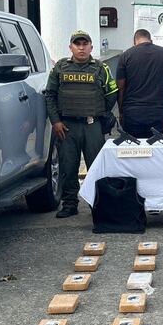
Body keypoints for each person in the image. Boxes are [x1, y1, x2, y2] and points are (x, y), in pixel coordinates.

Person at [43, 29, 117, 218]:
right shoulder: (60, 68)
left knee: (96, 167)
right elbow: (50, 95)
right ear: (71, 47)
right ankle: (69, 204)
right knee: (68, 167)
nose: (81, 48)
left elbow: (112, 94)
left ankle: (98, 204)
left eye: (85, 44)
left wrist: (100, 114)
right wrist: (56, 121)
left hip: (92, 125)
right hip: (67, 126)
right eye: (77, 44)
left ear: (91, 47)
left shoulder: (101, 68)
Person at [116, 28, 163, 138]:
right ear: (151, 41)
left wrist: (121, 113)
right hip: (156, 113)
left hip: (132, 114)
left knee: (132, 147)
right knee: (155, 148)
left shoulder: (125, 56)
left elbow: (120, 88)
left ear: (134, 42)